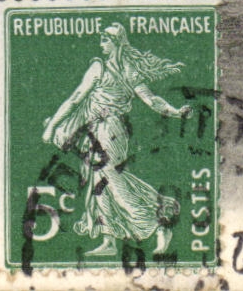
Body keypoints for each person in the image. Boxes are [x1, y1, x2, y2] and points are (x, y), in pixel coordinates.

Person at [41, 24, 189, 257]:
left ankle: (160, 223)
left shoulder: (116, 70)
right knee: (99, 186)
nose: (101, 44)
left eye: (105, 40)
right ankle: (109, 240)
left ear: (117, 42)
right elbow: (76, 99)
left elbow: (151, 100)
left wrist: (176, 112)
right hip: (93, 131)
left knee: (114, 183)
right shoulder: (109, 68)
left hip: (110, 132)